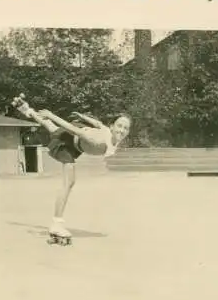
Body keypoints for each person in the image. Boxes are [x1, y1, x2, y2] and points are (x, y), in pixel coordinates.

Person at [12, 94, 132, 242]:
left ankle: (27, 110)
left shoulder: (109, 132)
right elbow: (74, 130)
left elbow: (98, 123)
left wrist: (84, 117)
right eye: (119, 126)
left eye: (126, 128)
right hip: (70, 141)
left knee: (51, 127)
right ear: (113, 126)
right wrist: (52, 115)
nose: (122, 130)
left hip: (76, 142)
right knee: (69, 182)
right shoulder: (101, 142)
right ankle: (57, 223)